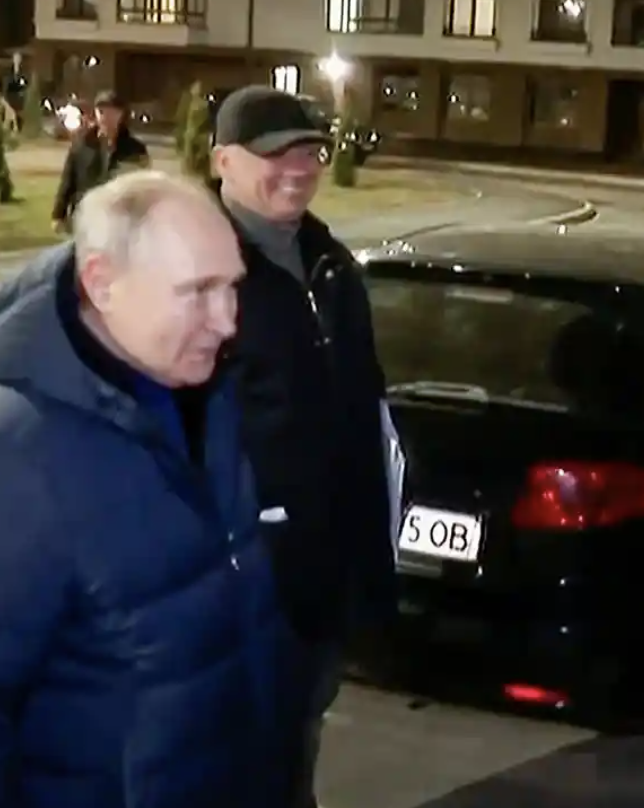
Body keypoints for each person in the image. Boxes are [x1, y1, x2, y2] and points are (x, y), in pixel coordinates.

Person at [0, 171, 291, 808]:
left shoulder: (206, 402)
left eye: (232, 287)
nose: (227, 321)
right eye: (199, 291)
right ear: (102, 282)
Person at [210, 85, 398, 808]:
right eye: (275, 154)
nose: (299, 168)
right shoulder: (198, 272)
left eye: (311, 151)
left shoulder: (331, 266)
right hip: (241, 584)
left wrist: (371, 577)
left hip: (321, 582)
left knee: (295, 748)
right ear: (223, 161)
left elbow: (363, 419)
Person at [50, 89, 150, 233]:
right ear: (96, 114)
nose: (106, 118)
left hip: (119, 222)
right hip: (85, 217)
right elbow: (68, 180)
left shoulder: (135, 150)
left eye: (112, 113)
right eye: (101, 112)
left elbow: (143, 189)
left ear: (121, 115)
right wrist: (58, 214)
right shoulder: (82, 145)